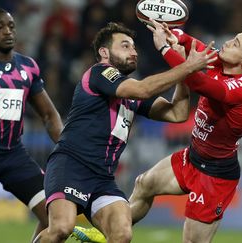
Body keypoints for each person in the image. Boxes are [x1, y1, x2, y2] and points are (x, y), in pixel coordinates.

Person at [33, 20, 217, 243]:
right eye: (125, 46)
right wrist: (187, 67)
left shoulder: (128, 92)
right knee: (61, 228)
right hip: (71, 166)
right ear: (104, 52)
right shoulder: (100, 73)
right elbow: (142, 89)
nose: (134, 52)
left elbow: (177, 113)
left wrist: (183, 65)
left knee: (122, 234)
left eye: (134, 47)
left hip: (102, 177)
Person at [124, 21, 242, 242]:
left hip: (215, 175)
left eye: (235, 43)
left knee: (192, 241)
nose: (227, 42)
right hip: (192, 158)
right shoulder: (220, 62)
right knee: (144, 184)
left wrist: (165, 49)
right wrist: (171, 34)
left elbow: (198, 83)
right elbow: (191, 42)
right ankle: (111, 234)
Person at [0, 9, 63, 242]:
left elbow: (48, 114)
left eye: (11, 26)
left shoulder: (28, 67)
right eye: (0, 27)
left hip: (14, 156)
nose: (7, 31)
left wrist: (70, 149)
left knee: (57, 220)